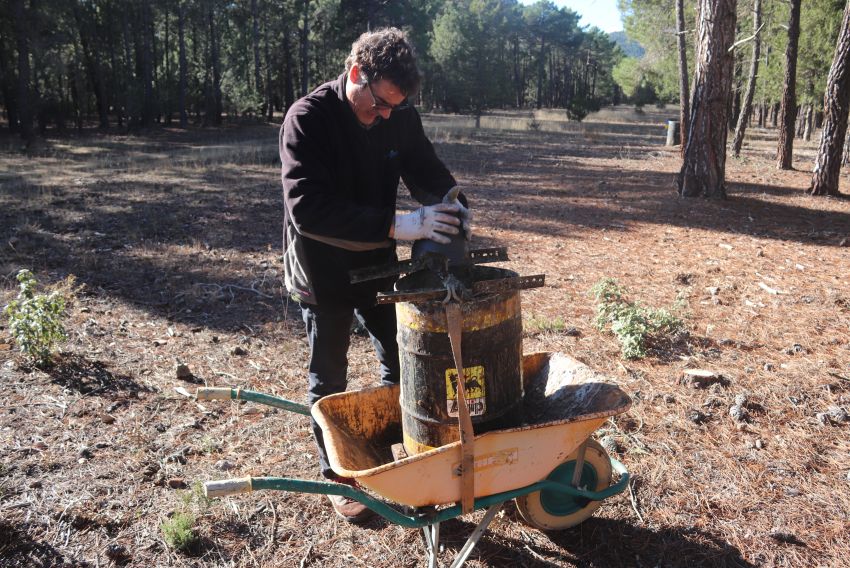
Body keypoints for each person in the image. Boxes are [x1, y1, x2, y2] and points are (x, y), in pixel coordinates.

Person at [279, 27, 470, 523]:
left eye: (394, 107)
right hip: (323, 269)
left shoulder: (398, 114)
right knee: (330, 376)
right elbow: (309, 210)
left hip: (378, 266)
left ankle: (400, 448)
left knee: (402, 358)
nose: (385, 115)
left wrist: (452, 203)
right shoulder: (308, 119)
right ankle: (339, 476)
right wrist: (401, 224)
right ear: (356, 73)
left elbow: (426, 170)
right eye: (379, 103)